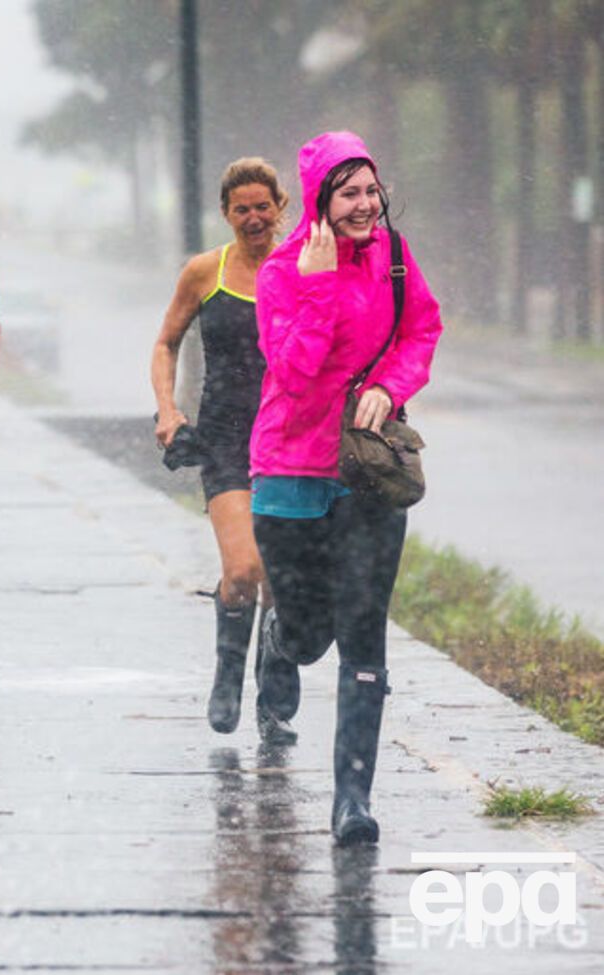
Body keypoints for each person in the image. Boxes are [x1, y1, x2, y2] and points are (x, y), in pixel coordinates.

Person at [250, 131, 442, 845]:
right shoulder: (281, 271)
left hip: (367, 472)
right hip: (289, 473)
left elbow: (422, 327)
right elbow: (294, 373)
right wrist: (324, 284)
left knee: (364, 635)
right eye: (348, 193)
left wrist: (390, 386)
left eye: (370, 190)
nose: (364, 205)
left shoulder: (395, 256)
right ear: (320, 202)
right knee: (309, 637)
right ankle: (280, 638)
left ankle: (352, 799)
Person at [151, 158, 288, 737]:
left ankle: (273, 700)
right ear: (226, 214)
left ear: (281, 207)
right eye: (242, 209)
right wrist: (167, 409)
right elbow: (166, 343)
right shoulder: (205, 271)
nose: (253, 218)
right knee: (244, 567)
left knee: (282, 577)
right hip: (227, 435)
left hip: (292, 437)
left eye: (263, 207)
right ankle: (228, 674)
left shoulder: (303, 267)